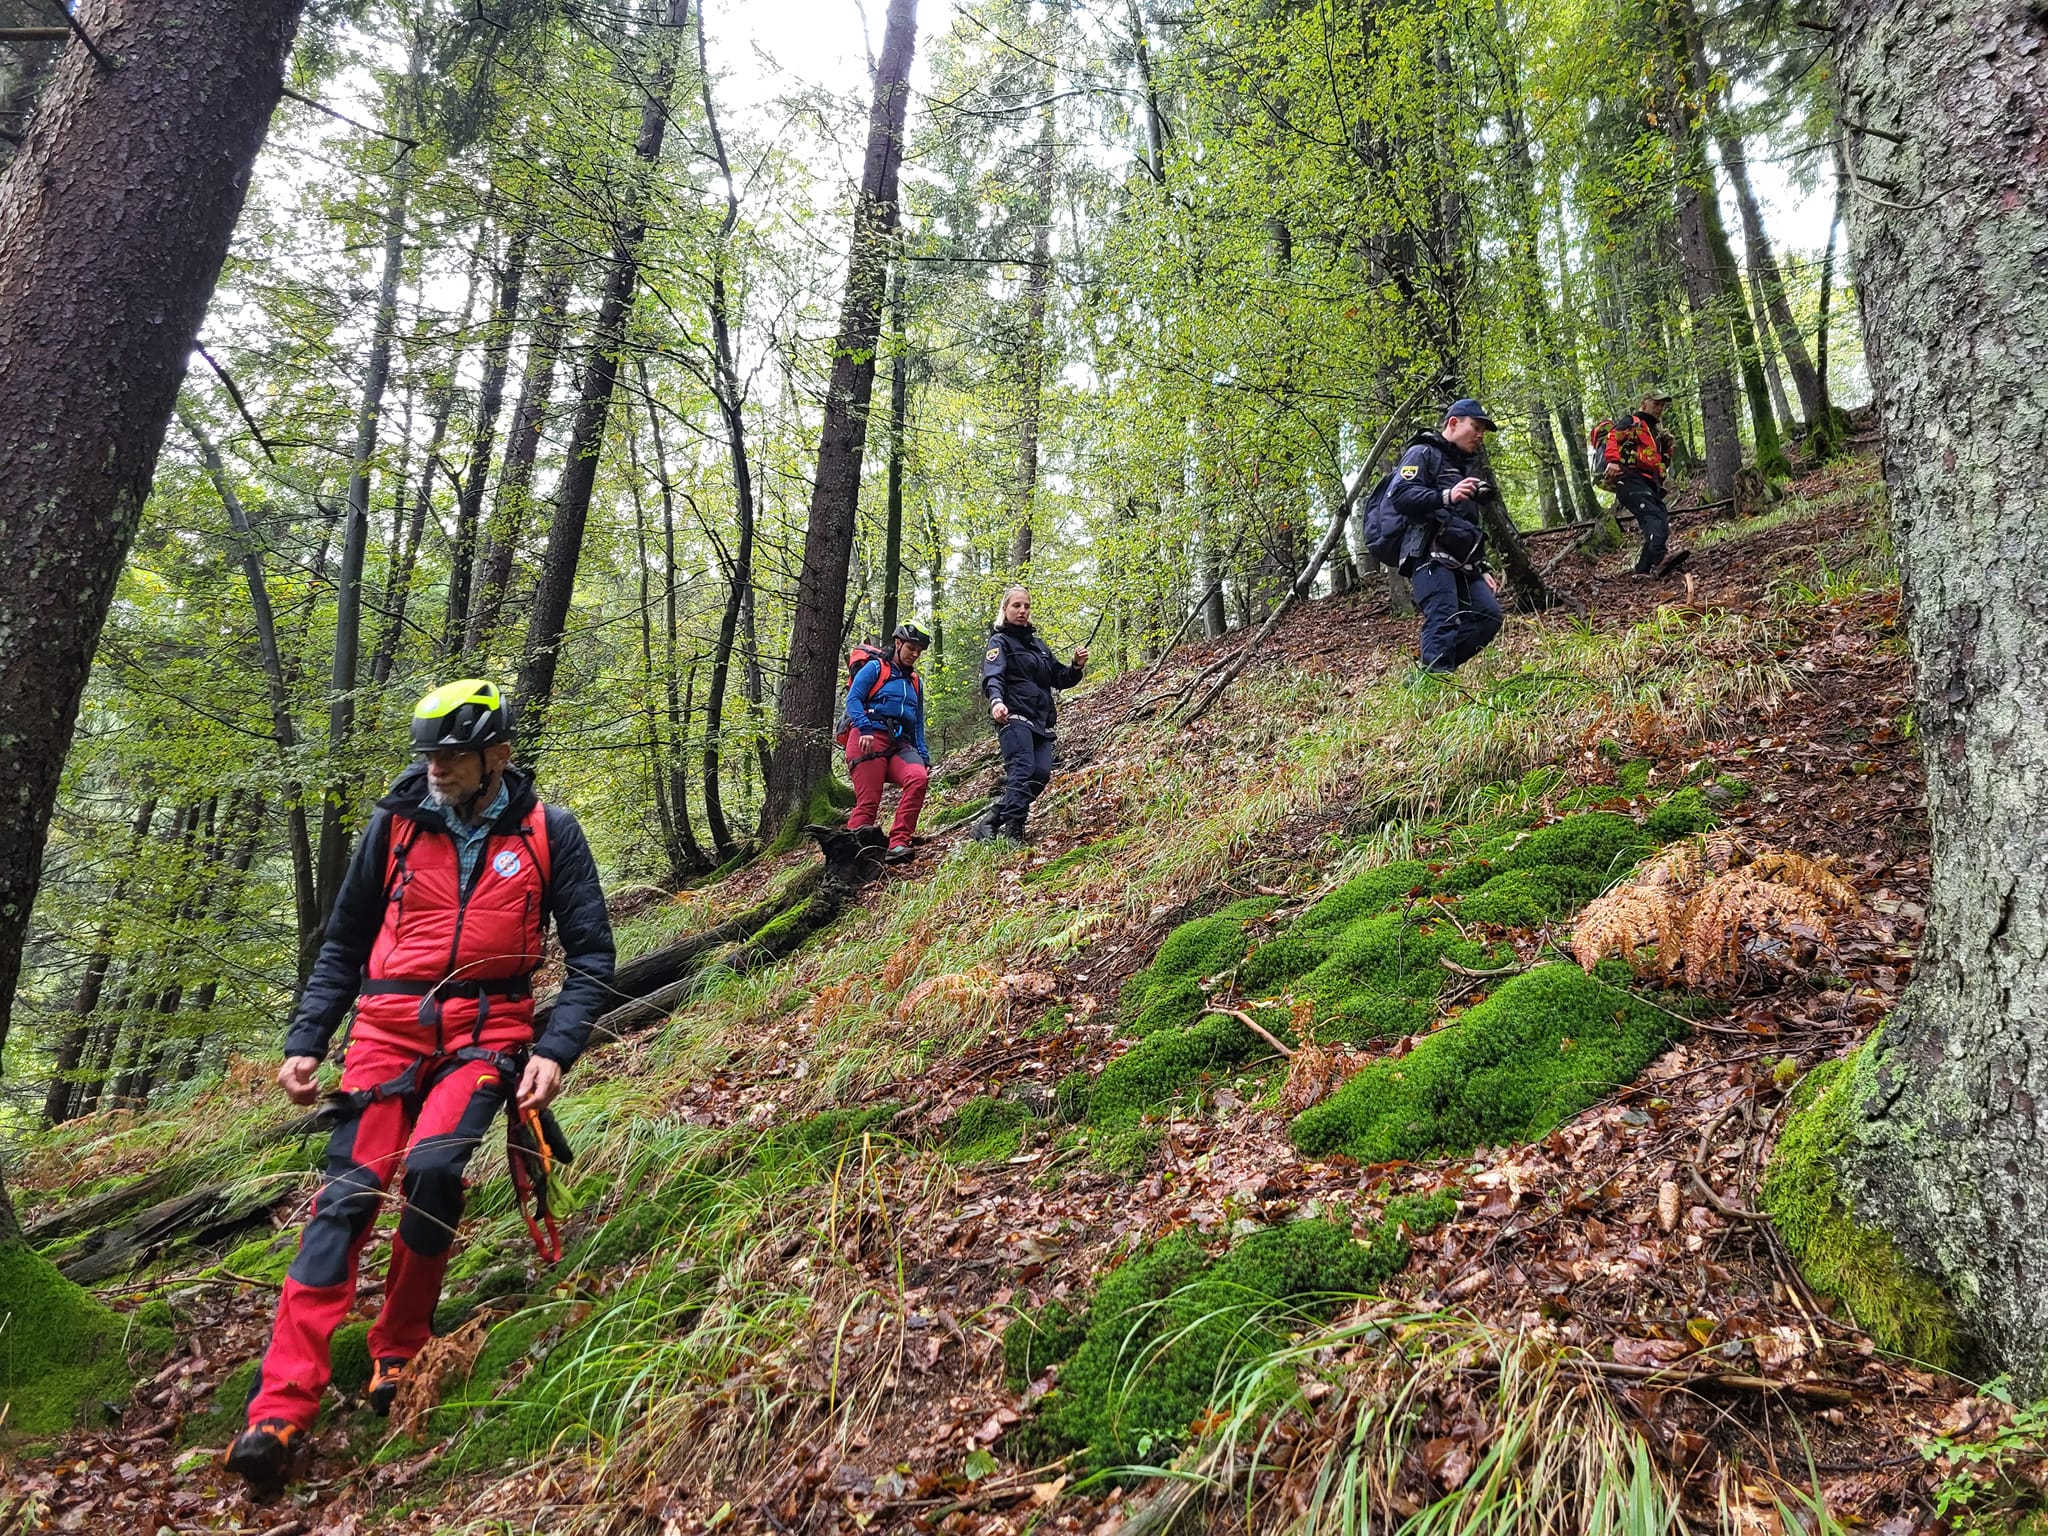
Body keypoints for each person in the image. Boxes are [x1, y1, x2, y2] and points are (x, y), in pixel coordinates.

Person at [227, 679, 616, 1489]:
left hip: (488, 1037)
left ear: (496, 755)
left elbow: (592, 958)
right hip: (382, 1035)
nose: (435, 767)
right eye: (428, 754)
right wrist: (308, 1038)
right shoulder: (394, 825)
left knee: (436, 1172)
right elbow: (343, 942)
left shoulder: (552, 832)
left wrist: (557, 1048)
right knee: (348, 1198)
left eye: (451, 754)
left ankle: (397, 1349)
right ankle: (280, 1406)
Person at [1391, 399, 1506, 674]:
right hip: (1428, 554)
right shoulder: (1422, 453)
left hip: (1461, 560)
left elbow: (1466, 523)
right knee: (1444, 617)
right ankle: (1435, 690)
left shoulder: (1462, 468)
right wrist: (1446, 495)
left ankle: (1426, 678)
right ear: (1453, 423)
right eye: (1476, 427)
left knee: (1488, 616)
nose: (1480, 436)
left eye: (1483, 431)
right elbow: (1400, 494)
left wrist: (1481, 567)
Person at [975, 586, 1087, 844]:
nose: (1022, 611)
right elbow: (993, 676)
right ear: (1005, 609)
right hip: (1013, 717)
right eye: (1016, 606)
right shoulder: (999, 642)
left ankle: (992, 819)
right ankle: (1014, 831)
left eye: (1026, 606)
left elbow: (1059, 677)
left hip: (1041, 721)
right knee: (1022, 770)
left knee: (1041, 774)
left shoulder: (1038, 646)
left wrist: (1076, 666)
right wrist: (996, 702)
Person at [845, 622, 933, 864]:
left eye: (919, 651)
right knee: (869, 802)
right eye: (911, 648)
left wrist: (923, 756)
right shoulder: (876, 668)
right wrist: (864, 728)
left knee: (918, 778)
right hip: (867, 739)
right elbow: (853, 700)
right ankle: (851, 859)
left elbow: (917, 722)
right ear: (898, 643)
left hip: (899, 743)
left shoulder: (915, 682)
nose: (915, 654)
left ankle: (899, 843)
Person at [1600, 389, 1688, 578]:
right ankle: (1660, 558)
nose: (1659, 408)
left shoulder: (1657, 433)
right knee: (1653, 516)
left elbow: (1659, 462)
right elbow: (1613, 436)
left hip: (1648, 484)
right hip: (1629, 479)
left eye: (1662, 405)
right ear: (1644, 403)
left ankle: (1643, 570)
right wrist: (1613, 461)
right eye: (1656, 403)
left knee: (1661, 518)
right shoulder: (1632, 422)